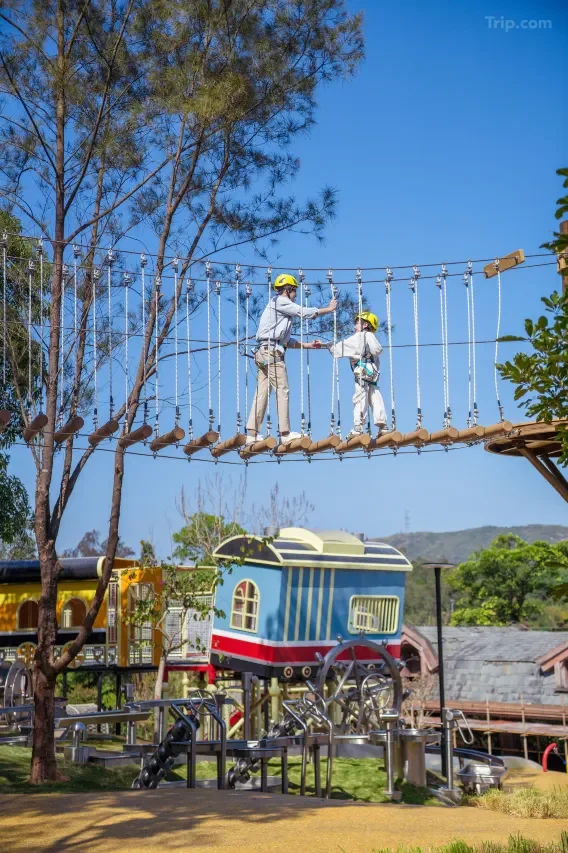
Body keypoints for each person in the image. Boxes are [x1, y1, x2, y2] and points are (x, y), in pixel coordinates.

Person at [246, 274, 337, 445]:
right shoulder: (281, 301)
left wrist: (308, 345)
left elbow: (286, 341)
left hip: (264, 352)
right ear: (288, 290)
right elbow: (305, 312)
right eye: (294, 292)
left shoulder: (278, 308)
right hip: (272, 354)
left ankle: (252, 434)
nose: (295, 295)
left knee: (262, 393)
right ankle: (285, 433)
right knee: (282, 389)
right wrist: (329, 309)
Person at [327, 311, 387, 439]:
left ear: (365, 324)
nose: (354, 326)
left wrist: (327, 345)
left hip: (362, 372)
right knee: (375, 397)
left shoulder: (360, 336)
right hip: (373, 374)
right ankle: (383, 426)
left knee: (359, 398)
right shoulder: (370, 336)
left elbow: (339, 349)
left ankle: (358, 427)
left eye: (357, 323)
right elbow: (377, 350)